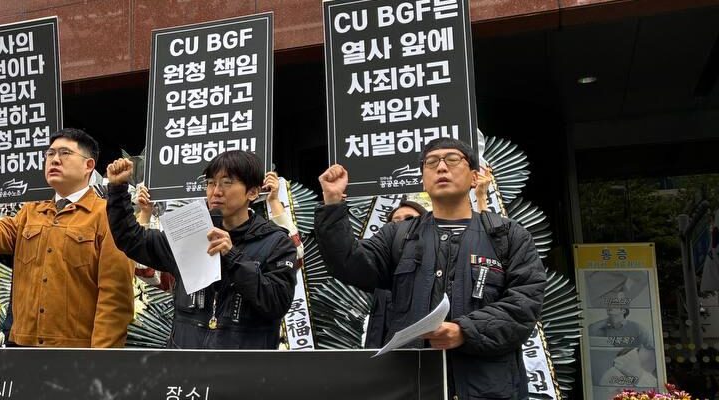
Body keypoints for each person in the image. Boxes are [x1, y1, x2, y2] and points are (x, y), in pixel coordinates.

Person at [314, 138, 546, 399]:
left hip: (488, 388)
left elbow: (525, 305)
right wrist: (332, 203)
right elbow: (348, 264)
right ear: (423, 180)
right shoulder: (398, 236)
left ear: (474, 177)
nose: (442, 167)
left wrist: (465, 331)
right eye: (431, 162)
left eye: (453, 159)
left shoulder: (509, 236)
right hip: (413, 385)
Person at [0, 128, 135, 348]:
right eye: (50, 154)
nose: (54, 160)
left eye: (65, 153)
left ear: (88, 165)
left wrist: (100, 358)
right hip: (22, 347)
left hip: (75, 352)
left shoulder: (107, 215)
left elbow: (115, 296)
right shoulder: (30, 212)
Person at [106, 151, 298, 348]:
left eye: (227, 182)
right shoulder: (190, 234)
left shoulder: (276, 242)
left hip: (242, 364)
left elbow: (276, 303)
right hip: (185, 360)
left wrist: (232, 256)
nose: (216, 191)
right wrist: (118, 189)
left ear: (253, 192)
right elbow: (132, 239)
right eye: (210, 183)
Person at [588, 307, 653, 349]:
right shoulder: (605, 329)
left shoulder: (637, 328)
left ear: (623, 310)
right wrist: (608, 320)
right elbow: (588, 332)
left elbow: (651, 347)